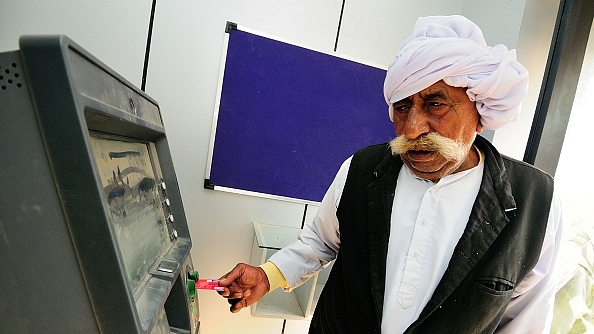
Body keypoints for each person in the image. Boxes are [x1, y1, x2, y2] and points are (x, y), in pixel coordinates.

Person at [217, 15, 563, 333]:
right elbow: (319, 242)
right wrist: (268, 275)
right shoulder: (363, 169)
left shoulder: (535, 203)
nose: (411, 129)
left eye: (435, 104)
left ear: (479, 108)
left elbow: (525, 320)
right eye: (402, 106)